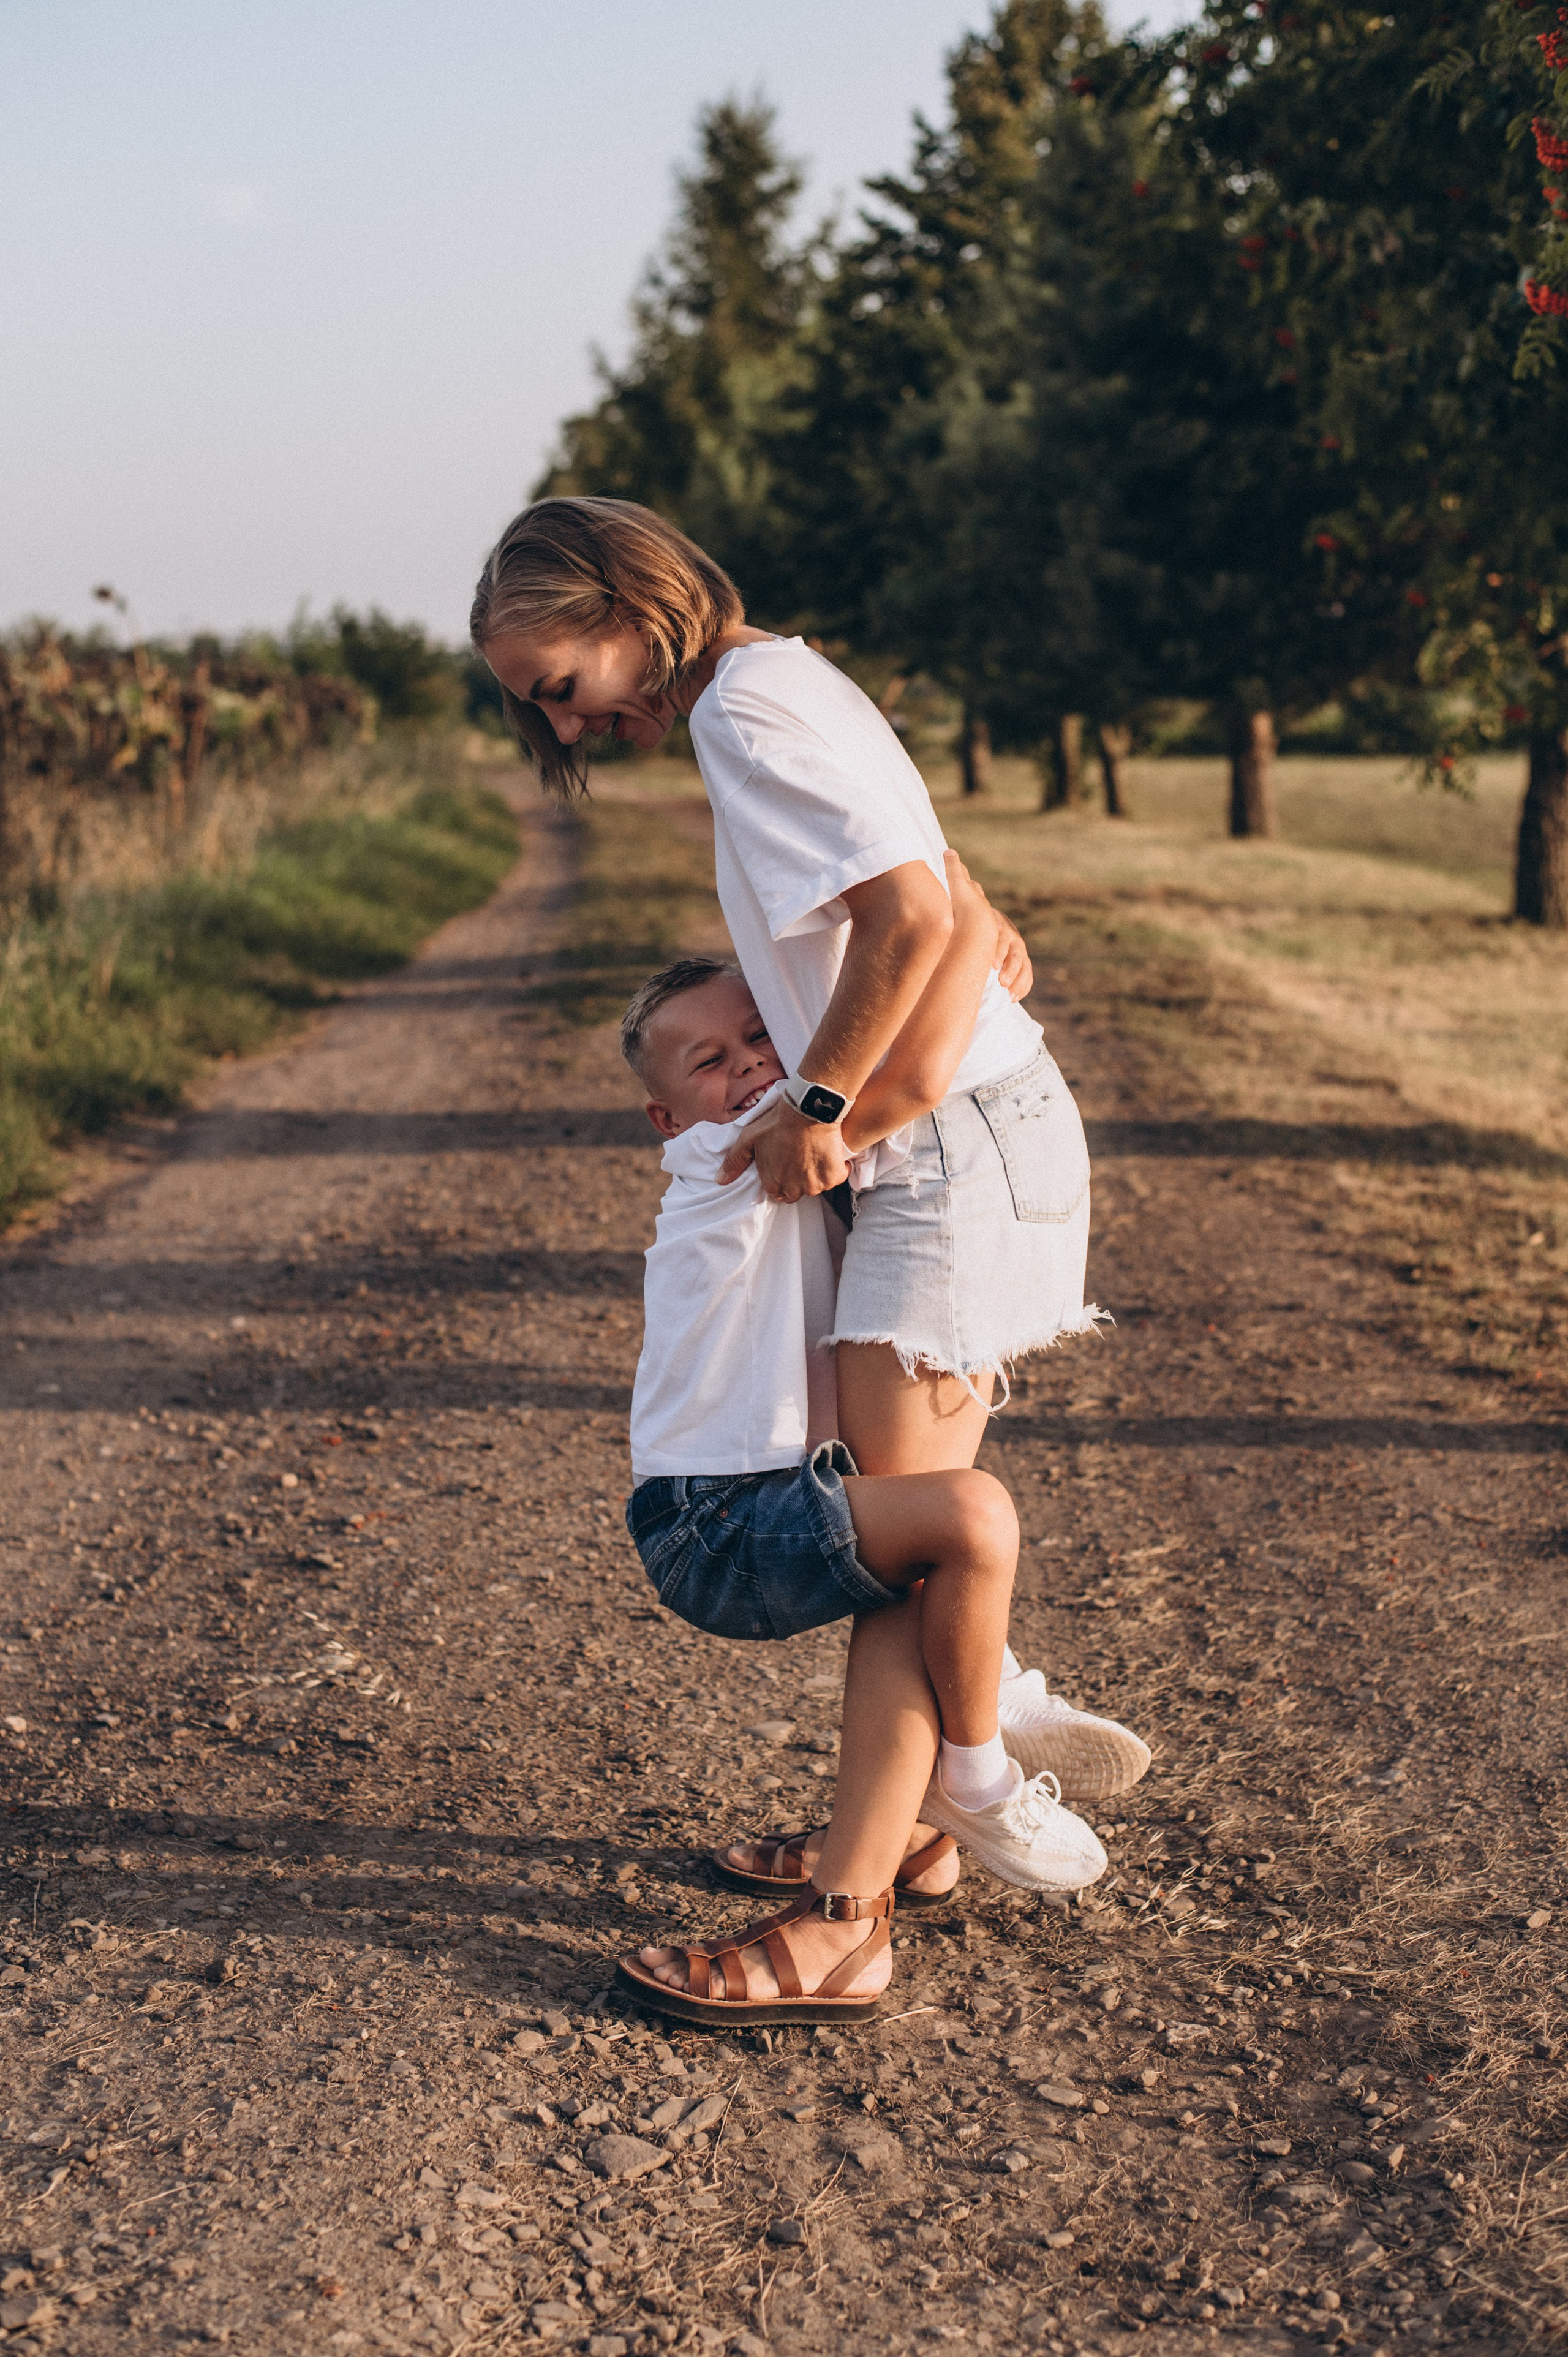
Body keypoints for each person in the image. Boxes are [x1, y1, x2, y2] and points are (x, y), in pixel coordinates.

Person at [471, 499, 1148, 2000]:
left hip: (945, 1146)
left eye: (555, 681)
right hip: (965, 1131)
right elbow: (931, 885)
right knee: (904, 1520)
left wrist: (822, 1098)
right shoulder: (780, 680)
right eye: (538, 707)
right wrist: (972, 932)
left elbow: (908, 910)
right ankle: (910, 1834)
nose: (563, 720)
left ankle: (844, 1927)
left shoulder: (745, 713)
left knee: (905, 1540)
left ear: (622, 599)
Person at [612, 865, 1135, 2024]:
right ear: (668, 1117)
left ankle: (910, 1838)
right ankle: (978, 1770)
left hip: (771, 1499)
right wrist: (963, 935)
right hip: (712, 1525)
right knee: (966, 1516)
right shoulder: (726, 1161)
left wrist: (969, 924)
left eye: (762, 1033)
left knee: (923, 1527)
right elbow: (891, 1081)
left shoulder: (773, 1144)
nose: (750, 1064)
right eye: (712, 1062)